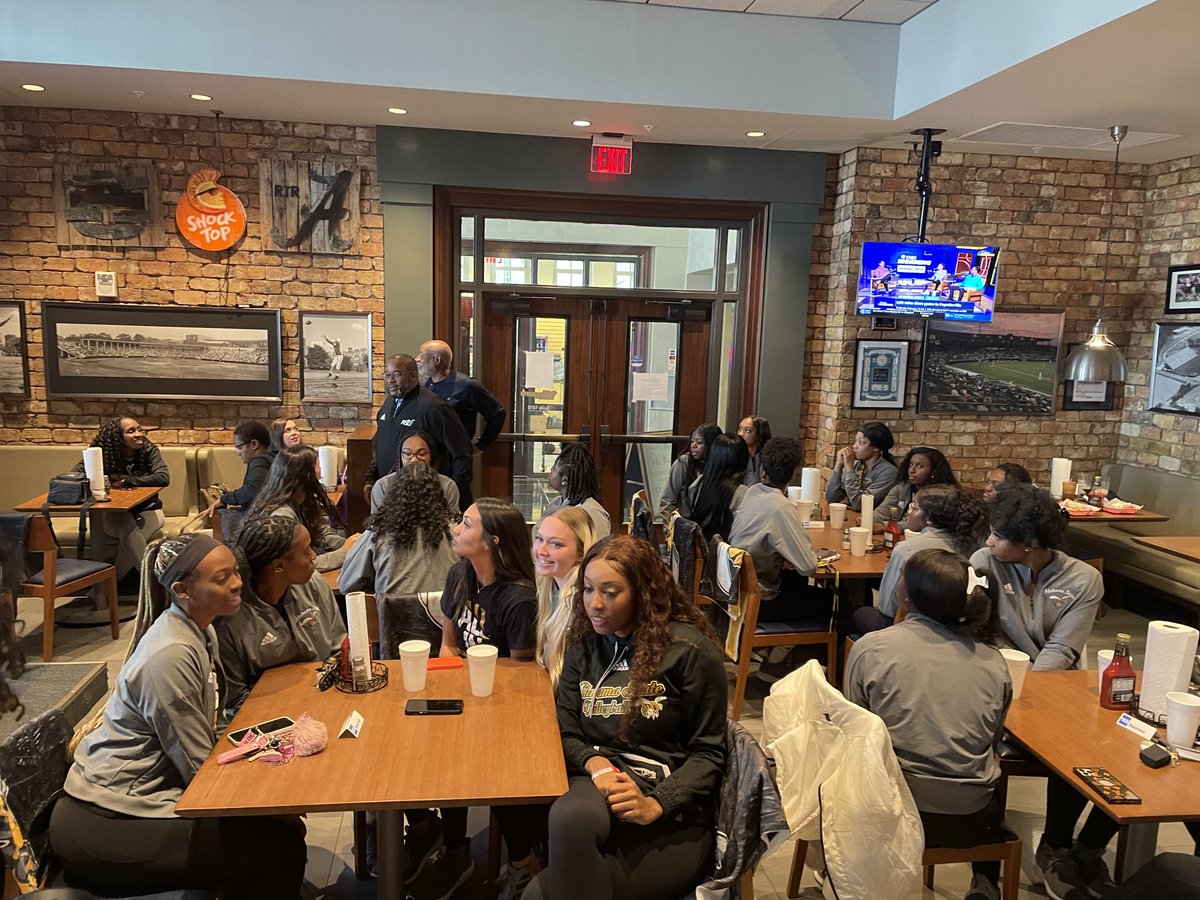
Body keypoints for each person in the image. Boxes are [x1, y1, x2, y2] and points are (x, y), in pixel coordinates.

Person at [49, 533, 306, 898]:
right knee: (278, 847)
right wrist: (268, 808)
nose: (237, 584)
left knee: (273, 834)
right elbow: (198, 767)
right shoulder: (170, 655)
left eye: (236, 572)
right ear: (182, 590)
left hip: (127, 804)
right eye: (222, 578)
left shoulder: (200, 630)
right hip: (103, 820)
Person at [523, 535, 727, 900]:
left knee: (539, 895)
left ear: (644, 593)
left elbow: (709, 754)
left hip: (671, 817)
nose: (595, 604)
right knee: (568, 817)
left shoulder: (689, 651)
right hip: (601, 785)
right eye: (588, 590)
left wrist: (656, 804)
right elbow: (566, 732)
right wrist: (598, 766)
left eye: (611, 592)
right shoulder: (583, 644)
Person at [844, 548, 1012, 900]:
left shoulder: (872, 649)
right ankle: (985, 883)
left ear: (907, 594)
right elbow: (991, 739)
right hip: (971, 813)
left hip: (894, 810)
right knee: (991, 772)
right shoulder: (995, 662)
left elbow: (855, 735)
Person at [969, 484, 1110, 900]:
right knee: (979, 748)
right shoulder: (984, 563)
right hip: (993, 681)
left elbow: (1064, 649)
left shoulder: (1084, 580)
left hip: (1054, 687)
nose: (989, 541)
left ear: (1030, 543)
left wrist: (1029, 693)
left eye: (998, 535)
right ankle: (984, 870)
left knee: (1085, 747)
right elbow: (974, 632)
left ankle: (1060, 847)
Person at [407, 499, 538, 900]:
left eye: (466, 523)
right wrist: (447, 687)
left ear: (492, 541)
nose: (455, 529)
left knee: (478, 766)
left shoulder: (519, 597)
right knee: (409, 750)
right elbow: (448, 643)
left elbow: (521, 674)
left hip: (503, 706)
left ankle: (521, 864)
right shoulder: (459, 573)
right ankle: (445, 843)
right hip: (461, 694)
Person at [218, 516, 346, 717]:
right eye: (306, 551)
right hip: (269, 716)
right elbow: (236, 697)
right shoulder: (230, 618)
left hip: (328, 698)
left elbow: (339, 648)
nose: (314, 556)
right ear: (278, 566)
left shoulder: (314, 584)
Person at [853, 484, 989, 633]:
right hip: (958, 626)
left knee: (859, 613)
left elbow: (887, 607)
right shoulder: (976, 547)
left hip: (909, 628)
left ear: (929, 518)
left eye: (914, 507)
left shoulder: (906, 550)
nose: (909, 512)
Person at [727, 437, 824, 623]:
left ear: (762, 470)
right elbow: (808, 567)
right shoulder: (782, 507)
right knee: (839, 603)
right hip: (761, 599)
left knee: (797, 582)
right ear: (792, 475)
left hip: (737, 591)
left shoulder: (751, 492)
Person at [364, 354, 474, 512]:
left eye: (396, 374)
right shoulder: (389, 404)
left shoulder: (435, 407)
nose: (390, 380)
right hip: (393, 495)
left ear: (413, 376)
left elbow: (462, 453)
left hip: (427, 498)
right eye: (387, 375)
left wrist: (453, 492)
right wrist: (371, 478)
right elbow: (382, 446)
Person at [339, 462, 458, 598]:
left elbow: (347, 584)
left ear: (395, 494)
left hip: (392, 610)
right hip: (443, 610)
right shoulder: (456, 533)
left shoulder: (377, 533)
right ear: (437, 494)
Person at [72, 417, 169, 582]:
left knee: (130, 537)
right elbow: (76, 475)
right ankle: (156, 585)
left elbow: (163, 477)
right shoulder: (101, 453)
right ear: (117, 437)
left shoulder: (148, 450)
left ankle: (109, 584)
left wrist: (127, 481)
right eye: (131, 431)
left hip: (149, 510)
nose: (138, 434)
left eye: (139, 429)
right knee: (129, 534)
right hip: (114, 513)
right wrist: (103, 479)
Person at [242, 445, 355, 573]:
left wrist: (351, 545)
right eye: (318, 466)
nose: (321, 471)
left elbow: (320, 533)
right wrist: (345, 552)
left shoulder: (303, 500)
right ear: (307, 475)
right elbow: (297, 566)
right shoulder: (281, 516)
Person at [532, 506, 595, 687]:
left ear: (581, 554)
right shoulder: (549, 585)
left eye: (556, 544)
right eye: (539, 539)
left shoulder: (582, 602)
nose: (541, 551)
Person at [417, 339, 507, 454]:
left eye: (422, 355)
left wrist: (481, 445)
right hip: (431, 454)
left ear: (437, 359)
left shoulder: (466, 386)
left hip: (455, 457)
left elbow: (498, 413)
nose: (418, 359)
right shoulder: (425, 385)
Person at [198, 421, 275, 529]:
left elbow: (252, 490)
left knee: (218, 516)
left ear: (254, 444)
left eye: (239, 447)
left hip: (264, 520)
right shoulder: (272, 457)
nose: (238, 453)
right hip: (269, 514)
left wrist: (223, 499)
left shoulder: (259, 461)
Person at [369, 430, 461, 515]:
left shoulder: (447, 486)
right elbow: (377, 524)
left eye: (422, 454)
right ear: (400, 456)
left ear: (431, 456)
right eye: (408, 454)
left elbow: (453, 523)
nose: (414, 460)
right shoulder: (383, 486)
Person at [874, 445, 956, 530]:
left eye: (919, 466)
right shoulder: (903, 488)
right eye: (911, 465)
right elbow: (882, 512)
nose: (912, 470)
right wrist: (868, 520)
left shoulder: (941, 495)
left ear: (934, 471)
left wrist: (884, 526)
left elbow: (925, 524)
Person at [825, 421, 899, 513]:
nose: (854, 446)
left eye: (861, 443)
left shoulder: (889, 472)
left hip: (873, 518)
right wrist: (839, 465)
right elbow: (831, 499)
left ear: (876, 447)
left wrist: (850, 470)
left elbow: (859, 504)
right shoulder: (857, 465)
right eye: (855, 441)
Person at [687, 432, 749, 540]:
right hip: (727, 547)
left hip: (699, 545)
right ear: (743, 460)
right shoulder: (742, 493)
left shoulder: (698, 483)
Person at [544, 442, 611, 539]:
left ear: (565, 479)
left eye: (554, 469)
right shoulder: (556, 503)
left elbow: (600, 547)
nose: (550, 470)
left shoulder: (592, 512)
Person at [659, 423, 722, 519]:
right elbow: (667, 500)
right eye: (692, 441)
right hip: (685, 521)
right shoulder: (683, 462)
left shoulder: (719, 464)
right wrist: (671, 525)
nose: (693, 445)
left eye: (699, 442)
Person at [736, 415, 772, 487]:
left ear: (759, 434)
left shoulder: (769, 457)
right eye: (740, 429)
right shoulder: (735, 454)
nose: (740, 434)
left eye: (747, 430)